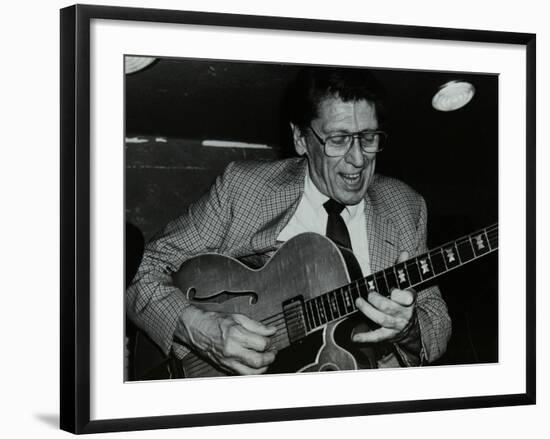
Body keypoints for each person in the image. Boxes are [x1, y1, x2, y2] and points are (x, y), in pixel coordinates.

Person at [126, 66, 451, 376]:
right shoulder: (245, 190)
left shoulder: (406, 206)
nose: (358, 159)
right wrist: (200, 330)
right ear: (300, 139)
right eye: (338, 139)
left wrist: (408, 331)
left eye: (368, 138)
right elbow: (141, 269)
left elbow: (435, 321)